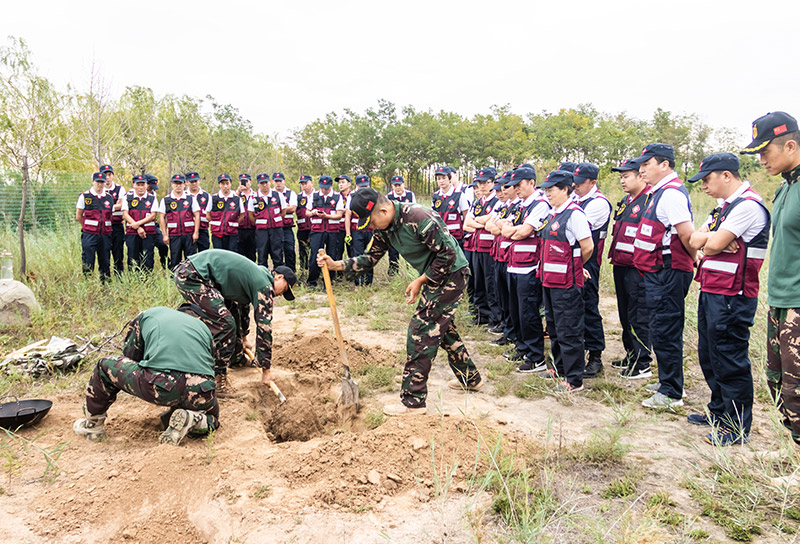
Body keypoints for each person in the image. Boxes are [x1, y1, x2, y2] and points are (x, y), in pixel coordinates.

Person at [317, 188, 482, 416]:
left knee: (421, 330)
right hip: (434, 275)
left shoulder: (419, 218)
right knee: (442, 329)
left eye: (372, 221)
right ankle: (470, 378)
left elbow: (448, 255)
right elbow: (370, 258)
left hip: (452, 274)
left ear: (384, 210)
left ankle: (413, 402)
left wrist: (421, 281)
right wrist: (336, 265)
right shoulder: (386, 226)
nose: (372, 227)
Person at [687, 153, 769, 446]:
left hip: (734, 296)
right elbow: (693, 242)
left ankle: (736, 426)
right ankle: (719, 413)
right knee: (710, 355)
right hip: (713, 290)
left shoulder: (747, 206)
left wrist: (711, 240)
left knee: (730, 358)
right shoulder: (723, 209)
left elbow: (711, 246)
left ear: (726, 176)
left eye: (707, 180)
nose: (704, 186)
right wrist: (710, 236)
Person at [73, 305, 220, 446]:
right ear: (198, 318)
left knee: (104, 366)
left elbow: (130, 357)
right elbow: (209, 368)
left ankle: (93, 426)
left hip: (163, 384)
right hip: (202, 390)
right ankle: (194, 419)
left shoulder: (150, 314)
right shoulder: (204, 329)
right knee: (212, 418)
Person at [741, 111, 800, 445]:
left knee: (798, 392)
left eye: (766, 152)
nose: (761, 160)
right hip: (780, 301)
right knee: (781, 388)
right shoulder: (784, 187)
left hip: (798, 305)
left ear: (790, 145)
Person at [173, 250, 297, 397]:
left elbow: (241, 307)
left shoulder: (258, 275)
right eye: (284, 289)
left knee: (229, 314)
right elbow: (264, 328)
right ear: (278, 277)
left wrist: (244, 338)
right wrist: (266, 370)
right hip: (192, 276)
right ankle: (217, 381)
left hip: (196, 273)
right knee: (225, 325)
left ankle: (236, 359)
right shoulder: (264, 285)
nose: (281, 294)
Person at [632, 143, 696, 409]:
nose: (642, 169)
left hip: (669, 271)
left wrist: (694, 259)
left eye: (647, 164)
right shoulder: (657, 193)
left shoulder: (670, 195)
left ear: (665, 165)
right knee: (659, 327)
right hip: (657, 271)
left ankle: (671, 392)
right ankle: (666, 380)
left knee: (667, 329)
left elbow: (686, 235)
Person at [537, 170, 594, 393]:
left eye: (551, 190)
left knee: (569, 328)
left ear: (564, 189)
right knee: (554, 327)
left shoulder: (575, 215)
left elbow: (587, 246)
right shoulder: (554, 213)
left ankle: (574, 378)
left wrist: (576, 266)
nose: (547, 194)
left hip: (567, 284)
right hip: (550, 281)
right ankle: (559, 368)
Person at [501, 166, 551, 372]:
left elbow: (523, 232)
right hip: (514, 265)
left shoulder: (540, 205)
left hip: (529, 267)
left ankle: (536, 356)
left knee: (529, 313)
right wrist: (513, 230)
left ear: (531, 183)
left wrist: (513, 230)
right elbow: (504, 228)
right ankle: (522, 347)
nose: (516, 189)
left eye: (519, 185)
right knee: (516, 312)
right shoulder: (521, 205)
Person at [607, 159, 653, 379]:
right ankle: (631, 353)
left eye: (626, 176)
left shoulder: (649, 200)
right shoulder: (627, 200)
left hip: (638, 267)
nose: (622, 181)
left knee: (639, 314)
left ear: (640, 176)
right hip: (621, 263)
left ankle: (642, 361)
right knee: (625, 313)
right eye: (621, 177)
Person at [572, 163, 612, 377]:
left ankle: (595, 356)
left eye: (580, 183)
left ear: (592, 182)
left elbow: (577, 231)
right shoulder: (577, 200)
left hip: (588, 261)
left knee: (589, 308)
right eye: (574, 183)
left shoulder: (598, 203)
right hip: (570, 260)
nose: (575, 186)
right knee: (572, 308)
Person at [485, 173, 520, 350]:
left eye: (505, 187)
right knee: (502, 296)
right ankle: (508, 330)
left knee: (512, 300)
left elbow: (507, 230)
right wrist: (502, 226)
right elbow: (490, 226)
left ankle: (512, 332)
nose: (501, 191)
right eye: (499, 188)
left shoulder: (519, 206)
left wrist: (502, 226)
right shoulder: (502, 206)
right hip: (499, 255)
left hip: (511, 258)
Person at [463, 168, 502, 329]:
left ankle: (495, 318)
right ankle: (480, 315)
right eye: (480, 183)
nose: (483, 186)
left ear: (493, 183)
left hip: (489, 249)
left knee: (490, 284)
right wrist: (482, 223)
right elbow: (467, 223)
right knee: (477, 283)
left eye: (486, 183)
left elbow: (491, 221)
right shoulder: (477, 202)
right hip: (475, 248)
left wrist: (478, 222)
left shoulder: (497, 202)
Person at [306, 175, 345, 288]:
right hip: (317, 230)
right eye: (322, 188)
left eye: (326, 188)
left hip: (332, 231)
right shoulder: (314, 195)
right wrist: (313, 212)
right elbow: (307, 212)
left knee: (331, 255)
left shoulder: (337, 197)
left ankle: (328, 282)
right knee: (314, 255)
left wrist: (326, 216)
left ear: (331, 186)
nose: (324, 190)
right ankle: (312, 282)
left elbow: (339, 215)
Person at [76, 171, 114, 282]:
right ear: (93, 181)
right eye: (97, 182)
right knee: (88, 260)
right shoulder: (85, 196)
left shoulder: (109, 197)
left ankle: (105, 284)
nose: (100, 185)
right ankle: (88, 283)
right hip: (90, 234)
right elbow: (79, 216)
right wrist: (88, 227)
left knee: (105, 260)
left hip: (105, 235)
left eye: (102, 182)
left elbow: (109, 216)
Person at [158, 174, 200, 270]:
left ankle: (190, 280)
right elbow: (162, 217)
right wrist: (164, 235)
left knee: (191, 260)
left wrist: (196, 232)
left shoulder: (190, 199)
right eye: (176, 184)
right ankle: (176, 280)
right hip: (174, 235)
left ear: (184, 184)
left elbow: (197, 215)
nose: (178, 186)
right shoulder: (166, 200)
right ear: (171, 184)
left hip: (189, 235)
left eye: (180, 183)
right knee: (175, 259)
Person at [121, 174, 158, 272]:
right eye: (138, 184)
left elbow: (153, 215)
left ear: (147, 185)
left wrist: (138, 224)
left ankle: (148, 282)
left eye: (143, 184)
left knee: (148, 258)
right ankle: (133, 281)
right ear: (133, 185)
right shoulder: (128, 197)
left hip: (148, 234)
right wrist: (138, 228)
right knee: (132, 258)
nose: (141, 187)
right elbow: (125, 215)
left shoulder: (152, 198)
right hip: (132, 233)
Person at [249, 173, 285, 268]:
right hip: (261, 231)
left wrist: (274, 221)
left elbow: (283, 212)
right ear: (258, 184)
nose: (264, 185)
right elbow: (251, 215)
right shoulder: (253, 198)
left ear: (269, 183)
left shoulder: (278, 195)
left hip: (276, 230)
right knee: (262, 255)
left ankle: (279, 277)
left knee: (277, 254)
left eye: (266, 182)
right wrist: (260, 223)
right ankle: (263, 280)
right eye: (262, 183)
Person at [345, 175, 374, 286]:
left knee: (370, 255)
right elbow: (348, 215)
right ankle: (358, 282)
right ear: (356, 185)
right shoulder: (351, 196)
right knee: (357, 256)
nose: (364, 188)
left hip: (370, 230)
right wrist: (348, 233)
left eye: (365, 186)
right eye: (361, 186)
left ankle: (368, 282)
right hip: (356, 230)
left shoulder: (373, 195)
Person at [431, 166, 469, 248]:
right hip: (440, 236)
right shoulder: (435, 196)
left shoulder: (459, 195)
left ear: (449, 178)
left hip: (456, 237)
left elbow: (466, 215)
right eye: (438, 178)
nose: (441, 181)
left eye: (444, 178)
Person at [385, 175, 416, 275]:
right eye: (395, 185)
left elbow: (414, 211)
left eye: (399, 185)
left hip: (407, 228)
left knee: (410, 252)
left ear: (404, 184)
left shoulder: (410, 195)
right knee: (393, 253)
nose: (397, 187)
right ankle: (392, 274)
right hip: (394, 229)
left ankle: (410, 273)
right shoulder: (388, 197)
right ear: (392, 186)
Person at [206, 173, 243, 252]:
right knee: (219, 255)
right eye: (223, 183)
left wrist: (234, 224)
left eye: (227, 183)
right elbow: (208, 215)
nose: (225, 186)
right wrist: (216, 224)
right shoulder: (214, 198)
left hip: (232, 233)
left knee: (232, 255)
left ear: (230, 184)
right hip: (217, 234)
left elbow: (242, 215)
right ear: (219, 185)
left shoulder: (237, 199)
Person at [101, 164, 126, 275]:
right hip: (103, 227)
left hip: (117, 225)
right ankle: (106, 277)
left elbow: (120, 204)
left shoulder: (120, 189)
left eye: (109, 174)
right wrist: (113, 206)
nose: (107, 177)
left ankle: (119, 276)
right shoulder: (98, 189)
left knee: (118, 252)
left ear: (113, 175)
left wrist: (105, 206)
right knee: (104, 252)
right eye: (104, 175)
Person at [273, 173, 298, 273]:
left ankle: (292, 272)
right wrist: (284, 207)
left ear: (284, 181)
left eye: (280, 181)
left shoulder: (291, 193)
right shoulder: (271, 193)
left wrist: (276, 208)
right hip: (274, 227)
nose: (278, 183)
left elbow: (292, 208)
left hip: (287, 227)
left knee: (290, 250)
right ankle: (278, 273)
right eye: (276, 181)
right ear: (273, 182)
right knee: (277, 252)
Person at [146, 174, 169, 269]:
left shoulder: (153, 194)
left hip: (153, 225)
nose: (151, 189)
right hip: (140, 227)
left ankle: (166, 264)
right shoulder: (132, 194)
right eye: (150, 186)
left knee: (163, 245)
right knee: (147, 251)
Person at [186, 171, 211, 252]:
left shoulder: (206, 196)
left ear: (199, 181)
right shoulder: (184, 195)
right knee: (191, 255)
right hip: (188, 231)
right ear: (186, 182)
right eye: (191, 181)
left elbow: (210, 213)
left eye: (195, 181)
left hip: (203, 230)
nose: (194, 184)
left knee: (204, 254)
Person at [236, 173, 257, 262]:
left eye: (246, 181)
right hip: (239, 229)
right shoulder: (236, 195)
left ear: (250, 182)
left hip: (253, 229)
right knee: (239, 254)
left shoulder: (256, 195)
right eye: (242, 181)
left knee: (251, 253)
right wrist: (238, 192)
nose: (244, 183)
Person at [296, 175, 314, 273]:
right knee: (303, 251)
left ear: (311, 183)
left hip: (315, 228)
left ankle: (314, 270)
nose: (304, 186)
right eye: (302, 184)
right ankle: (303, 270)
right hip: (302, 228)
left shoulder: (317, 195)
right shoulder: (298, 197)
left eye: (306, 183)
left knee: (314, 250)